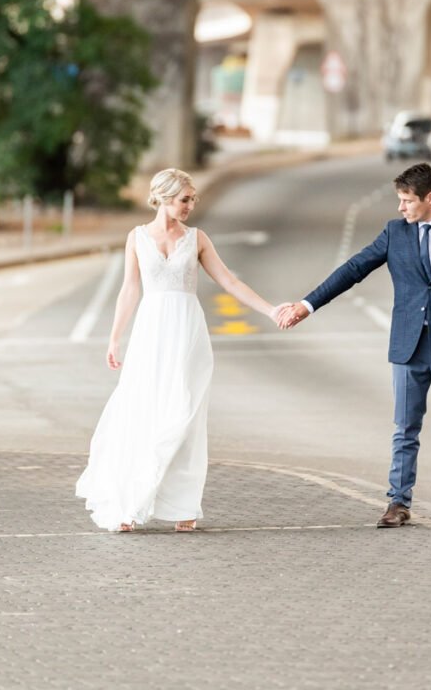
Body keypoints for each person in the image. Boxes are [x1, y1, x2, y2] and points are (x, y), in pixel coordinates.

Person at [277, 162, 431, 529]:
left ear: (430, 198)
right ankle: (398, 502)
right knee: (405, 428)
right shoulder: (395, 233)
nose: (401, 207)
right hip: (408, 348)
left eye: (407, 200)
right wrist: (307, 305)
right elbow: (354, 269)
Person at [76, 167, 283, 533]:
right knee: (142, 412)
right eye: (185, 199)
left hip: (188, 333)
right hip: (151, 333)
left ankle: (183, 505)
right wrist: (114, 338)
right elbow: (130, 289)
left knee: (185, 415)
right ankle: (129, 503)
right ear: (165, 197)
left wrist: (270, 310)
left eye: (193, 199)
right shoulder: (136, 238)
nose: (191, 205)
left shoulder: (197, 239)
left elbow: (229, 281)